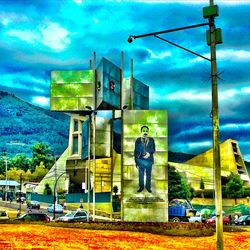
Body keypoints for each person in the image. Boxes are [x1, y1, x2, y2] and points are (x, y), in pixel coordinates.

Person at [134, 125, 155, 193]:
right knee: (141, 175)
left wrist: (149, 153)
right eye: (144, 131)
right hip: (140, 160)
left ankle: (148, 187)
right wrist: (136, 162)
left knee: (149, 174)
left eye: (146, 131)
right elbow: (135, 151)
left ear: (148, 132)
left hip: (149, 160)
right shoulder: (138, 140)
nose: (145, 132)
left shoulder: (151, 140)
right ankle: (141, 187)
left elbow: (153, 149)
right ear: (141, 132)